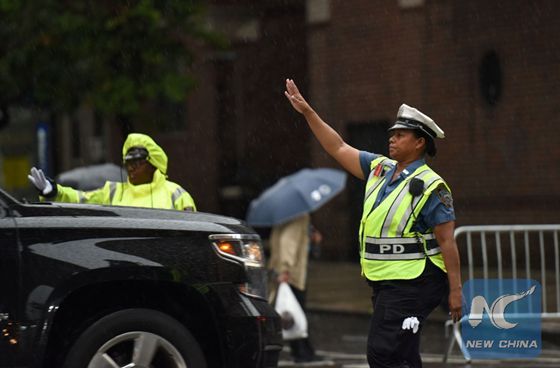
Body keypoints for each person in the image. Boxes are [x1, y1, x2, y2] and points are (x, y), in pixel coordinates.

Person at [284, 78, 462, 368]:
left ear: (419, 143)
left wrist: (456, 291)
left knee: (381, 352)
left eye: (401, 134)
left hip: (415, 282)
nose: (392, 138)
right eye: (392, 133)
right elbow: (338, 147)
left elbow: (446, 241)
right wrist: (308, 112)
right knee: (403, 353)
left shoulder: (432, 186)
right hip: (385, 281)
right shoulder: (380, 168)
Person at [28, 133, 196, 211]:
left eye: (137, 163)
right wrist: (53, 191)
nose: (131, 167)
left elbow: (192, 236)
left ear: (153, 164)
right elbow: (80, 199)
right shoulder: (113, 192)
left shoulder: (176, 194)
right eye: (128, 163)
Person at [268, 213, 325, 364]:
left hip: (282, 270)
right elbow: (288, 241)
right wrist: (285, 269)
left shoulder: (283, 216)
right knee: (296, 311)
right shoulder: (299, 216)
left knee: (294, 311)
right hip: (291, 273)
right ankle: (302, 353)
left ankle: (304, 351)